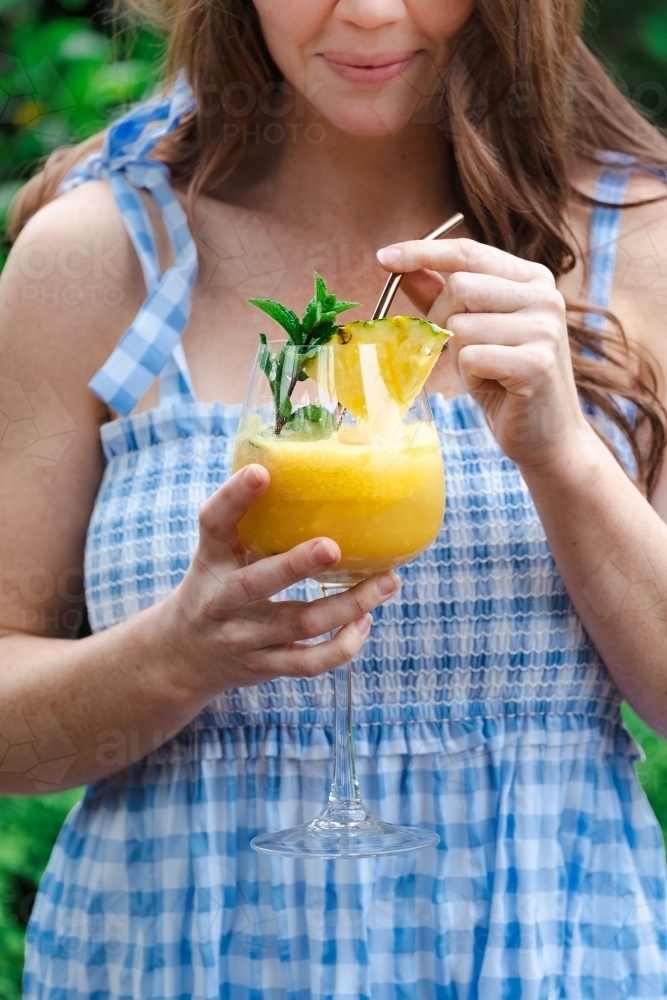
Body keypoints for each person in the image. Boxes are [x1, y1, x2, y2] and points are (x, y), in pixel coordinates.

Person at [2, 0, 667, 995]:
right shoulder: (99, 257)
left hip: (545, 954)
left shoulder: (640, 247)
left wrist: (564, 453)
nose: (365, 10)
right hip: (172, 955)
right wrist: (174, 652)